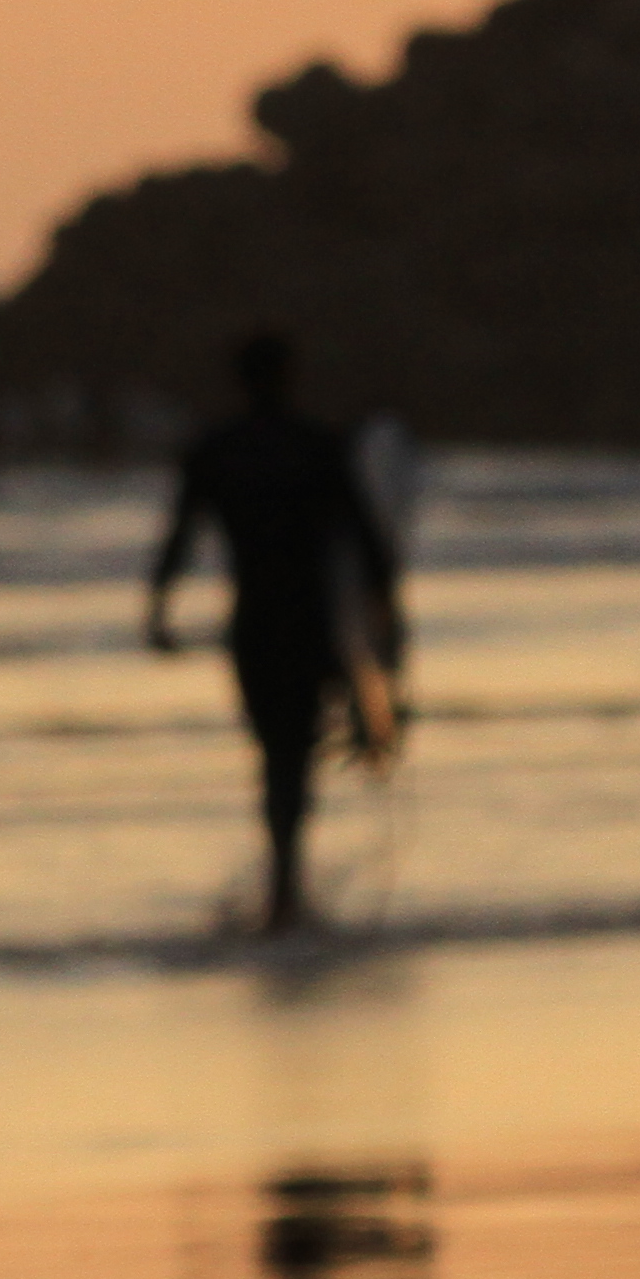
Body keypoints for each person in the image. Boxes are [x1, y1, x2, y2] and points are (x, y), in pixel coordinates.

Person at [143, 331, 403, 938]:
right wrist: (385, 622)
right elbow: (369, 543)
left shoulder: (216, 449)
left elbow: (179, 533)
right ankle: (287, 883)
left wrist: (157, 610)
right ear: (290, 376)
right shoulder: (320, 446)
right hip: (312, 621)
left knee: (273, 751)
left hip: (254, 621)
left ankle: (283, 886)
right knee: (297, 752)